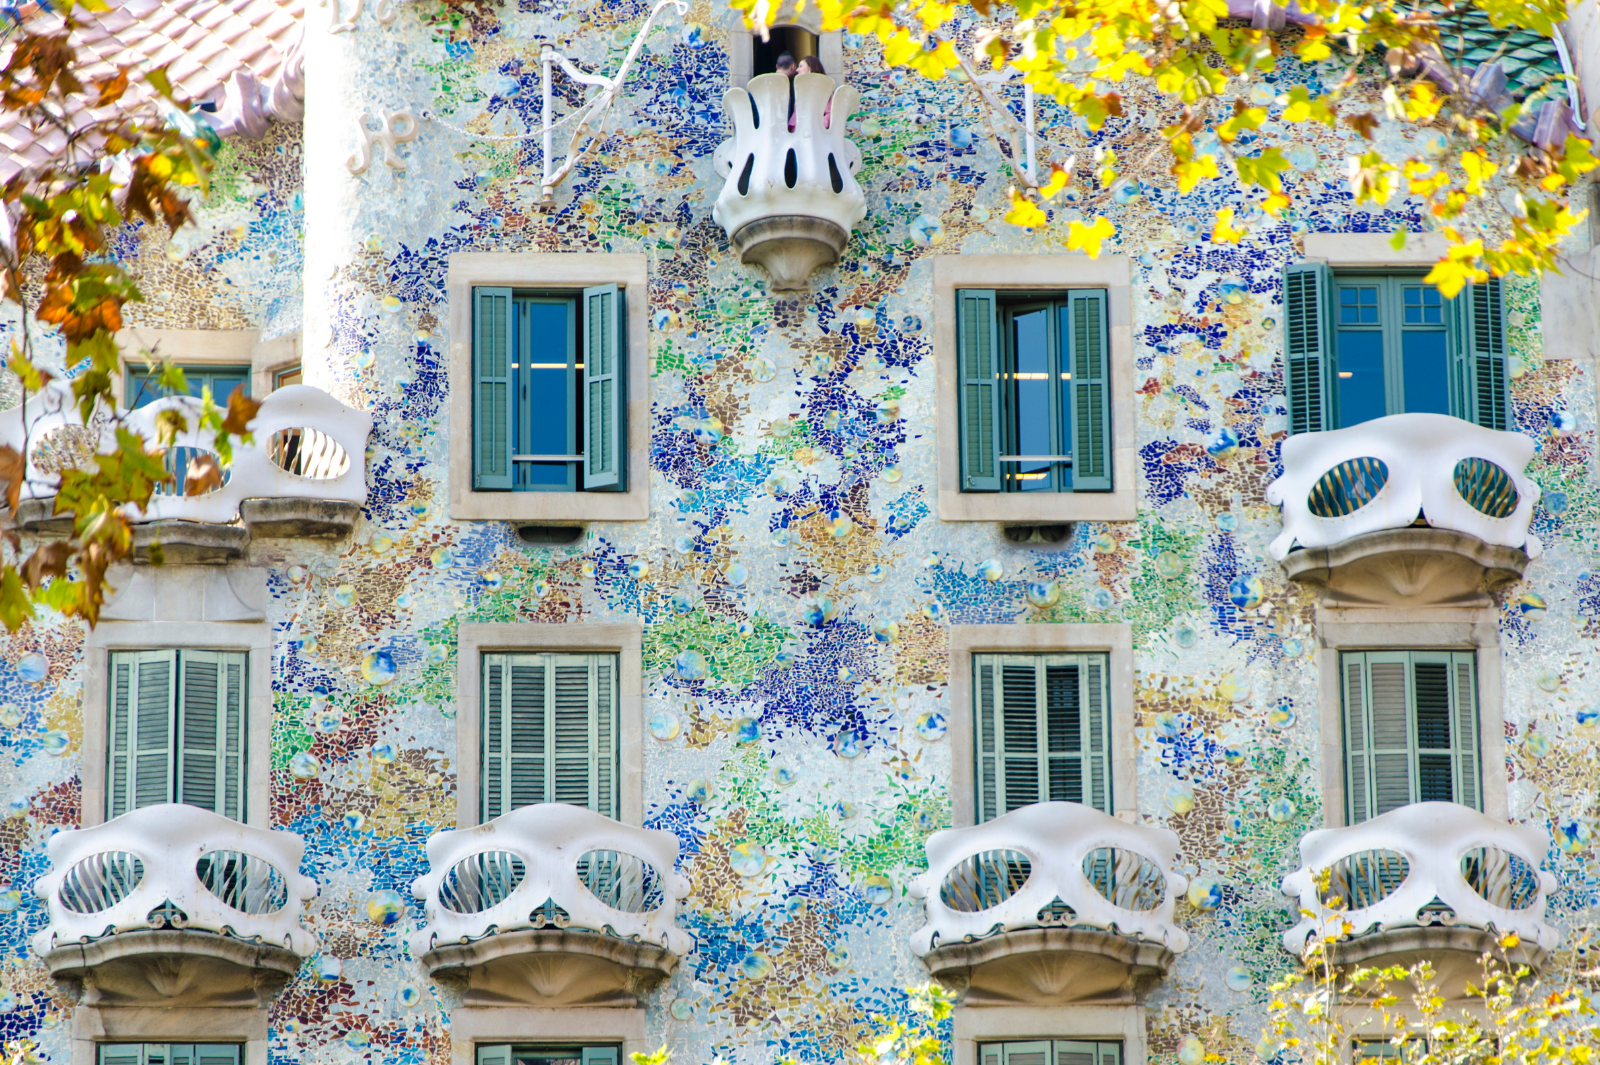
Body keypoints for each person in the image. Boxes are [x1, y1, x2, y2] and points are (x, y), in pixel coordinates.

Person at [789, 54, 830, 130]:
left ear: (810, 68)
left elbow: (829, 112)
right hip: (798, 131)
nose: (797, 70)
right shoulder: (800, 88)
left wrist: (822, 122)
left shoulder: (824, 88)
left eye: (801, 66)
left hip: (816, 131)